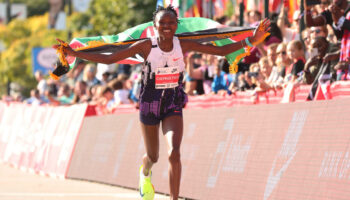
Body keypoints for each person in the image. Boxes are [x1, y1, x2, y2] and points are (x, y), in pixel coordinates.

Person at [53, 5, 270, 200]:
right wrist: (75, 53)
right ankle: (144, 173)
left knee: (174, 152)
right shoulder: (146, 45)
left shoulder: (182, 43)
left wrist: (253, 39)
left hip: (173, 103)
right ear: (154, 26)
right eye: (162, 23)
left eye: (171, 23)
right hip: (149, 103)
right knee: (153, 156)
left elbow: (222, 50)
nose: (167, 26)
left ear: (177, 25)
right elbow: (111, 58)